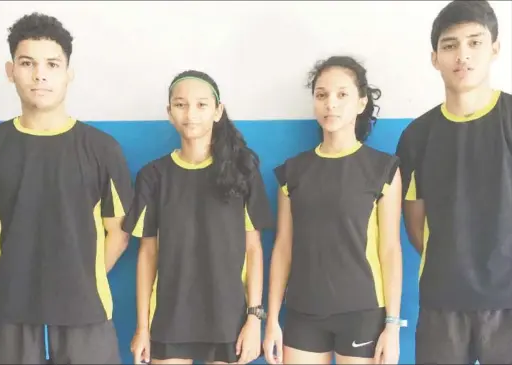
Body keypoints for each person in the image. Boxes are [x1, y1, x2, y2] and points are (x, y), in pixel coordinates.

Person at [0, 12, 133, 364]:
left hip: (85, 309)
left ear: (68, 73)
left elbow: (118, 231)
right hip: (8, 308)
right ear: (11, 71)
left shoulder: (101, 148)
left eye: (52, 64)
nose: (40, 74)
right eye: (27, 63)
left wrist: (85, 277)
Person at [125, 69, 274, 365]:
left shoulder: (243, 170)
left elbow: (254, 249)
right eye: (181, 105)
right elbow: (147, 254)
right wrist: (142, 328)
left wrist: (254, 318)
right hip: (170, 318)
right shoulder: (153, 176)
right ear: (170, 112)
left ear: (218, 111)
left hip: (227, 318)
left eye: (201, 105)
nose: (190, 114)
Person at [263, 56, 404, 365]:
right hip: (303, 313)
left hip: (362, 312)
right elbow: (283, 248)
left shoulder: (383, 169)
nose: (331, 104)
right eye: (322, 95)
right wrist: (271, 319)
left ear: (361, 102)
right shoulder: (292, 172)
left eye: (342, 95)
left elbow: (391, 249)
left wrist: (392, 326)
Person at [396, 0, 512, 363]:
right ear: (435, 58)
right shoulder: (417, 135)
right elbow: (415, 222)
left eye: (474, 42)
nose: (462, 55)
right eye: (450, 45)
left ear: (494, 48)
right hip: (442, 303)